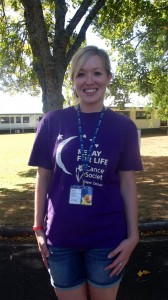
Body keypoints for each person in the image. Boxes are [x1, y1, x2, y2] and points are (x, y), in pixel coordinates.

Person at [28, 45, 143, 300]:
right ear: (73, 81)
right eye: (81, 74)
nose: (89, 81)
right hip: (60, 238)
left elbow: (127, 184)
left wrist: (134, 235)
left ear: (108, 78)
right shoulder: (52, 121)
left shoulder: (123, 127)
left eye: (97, 73)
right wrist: (38, 228)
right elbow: (43, 177)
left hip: (107, 241)